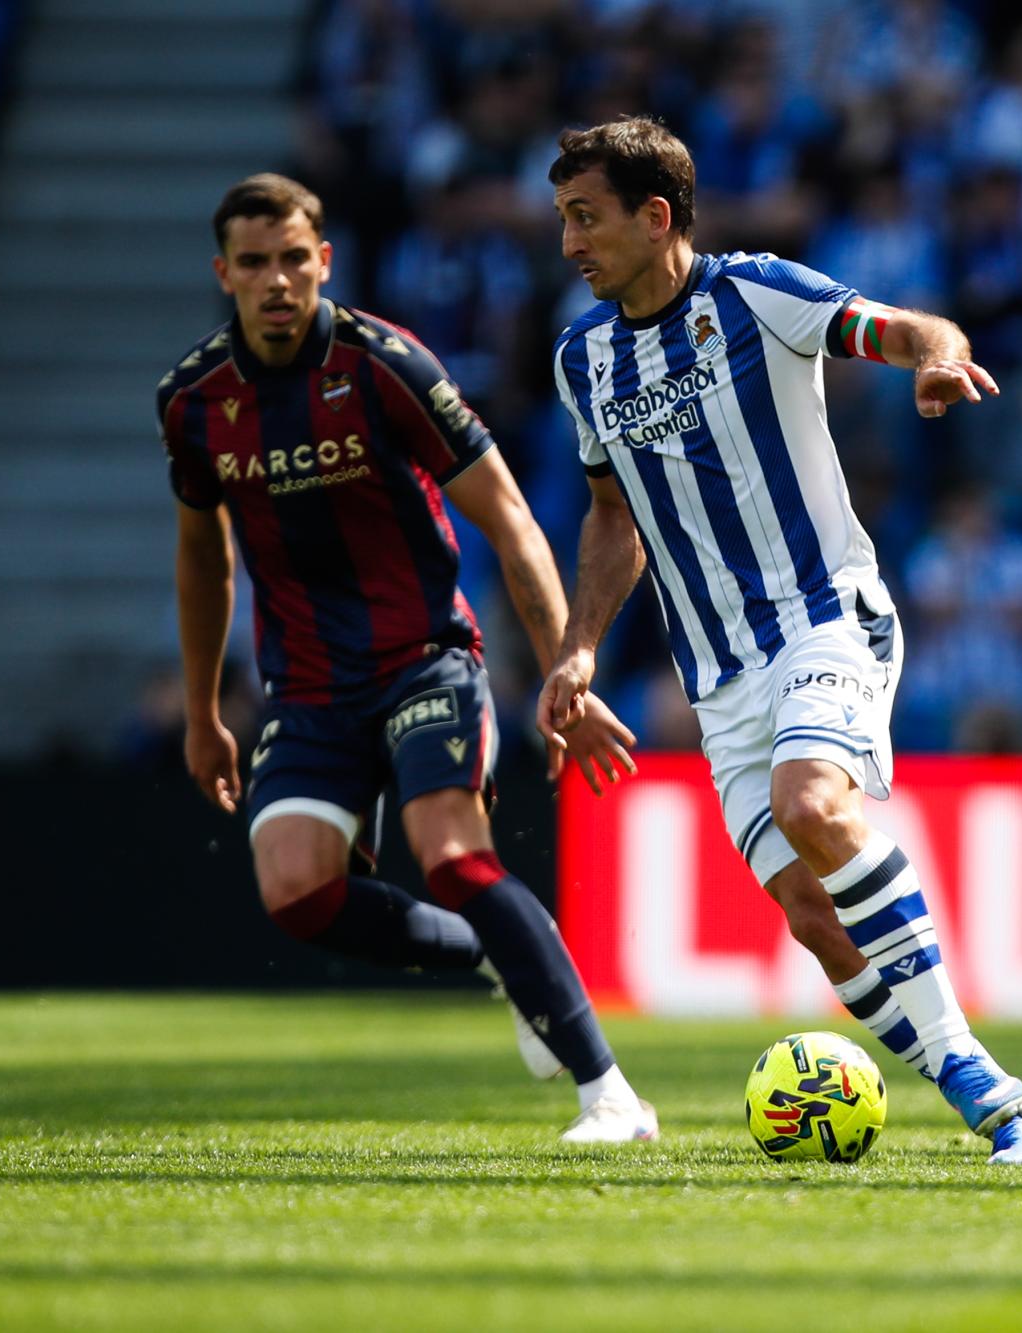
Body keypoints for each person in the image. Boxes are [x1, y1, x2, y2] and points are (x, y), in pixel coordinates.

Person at [538, 118, 1022, 1165]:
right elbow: (610, 516)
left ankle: (1002, 1100)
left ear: (656, 217)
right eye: (564, 218)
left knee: (811, 804)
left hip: (825, 616)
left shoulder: (755, 294)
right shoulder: (581, 358)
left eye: (586, 217)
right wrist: (577, 646)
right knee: (814, 919)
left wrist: (937, 359)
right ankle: (984, 1098)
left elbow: (905, 328)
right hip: (718, 677)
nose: (569, 243)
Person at [159, 173, 655, 1144]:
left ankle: (611, 1097)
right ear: (224, 274)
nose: (276, 281)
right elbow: (202, 559)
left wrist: (568, 664)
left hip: (425, 659)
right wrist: (202, 711)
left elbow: (510, 518)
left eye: (292, 259)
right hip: (306, 685)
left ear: (323, 261)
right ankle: (505, 952)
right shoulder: (193, 402)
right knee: (296, 895)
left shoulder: (385, 365)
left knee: (454, 857)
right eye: (254, 263)